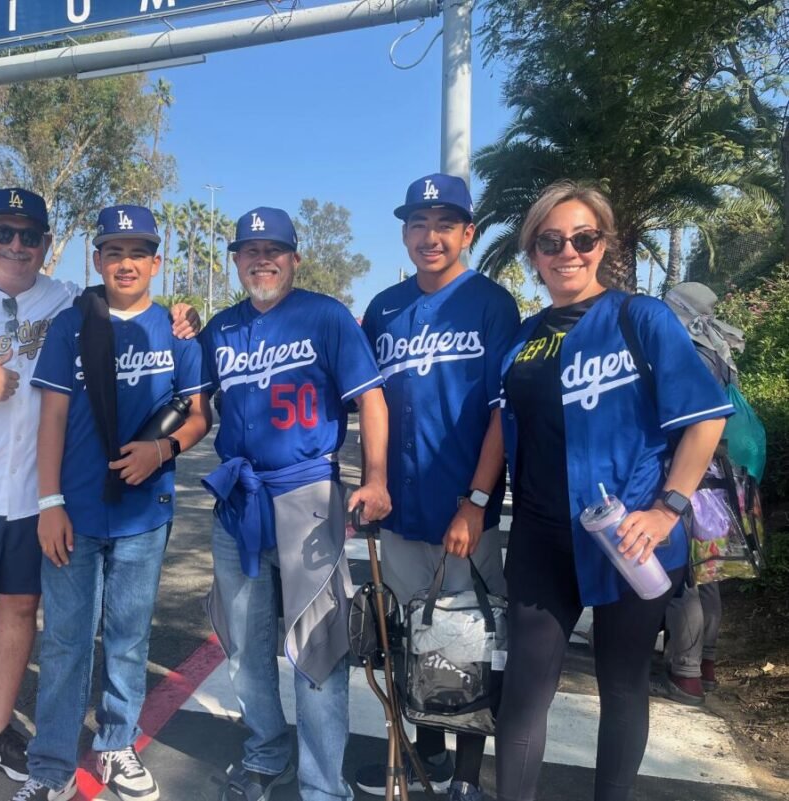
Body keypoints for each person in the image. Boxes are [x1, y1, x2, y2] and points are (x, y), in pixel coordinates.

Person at [0, 189, 198, 801]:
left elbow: (128, 307)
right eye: (4, 232)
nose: (17, 246)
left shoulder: (63, 301)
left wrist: (184, 319)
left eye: (30, 236)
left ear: (47, 245)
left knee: (22, 614)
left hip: (32, 496)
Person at [493, 181, 733, 801]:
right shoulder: (522, 339)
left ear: (604, 244)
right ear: (534, 253)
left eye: (582, 238)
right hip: (543, 538)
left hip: (630, 537)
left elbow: (706, 417)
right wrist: (473, 501)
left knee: (622, 686)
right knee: (523, 694)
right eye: (550, 241)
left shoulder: (640, 317)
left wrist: (667, 510)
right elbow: (501, 425)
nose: (566, 251)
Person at [8, 204, 212, 801]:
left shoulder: (178, 332)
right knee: (67, 642)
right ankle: (51, 769)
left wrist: (163, 448)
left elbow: (199, 416)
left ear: (156, 262)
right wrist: (48, 501)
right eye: (114, 252)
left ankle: (117, 746)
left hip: (144, 514)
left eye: (137, 252)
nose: (126, 263)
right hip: (72, 513)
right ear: (97, 260)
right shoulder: (71, 326)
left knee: (128, 638)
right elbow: (51, 417)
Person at [201, 207, 391, 801]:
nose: (262, 260)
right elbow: (191, 403)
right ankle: (265, 750)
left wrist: (375, 477)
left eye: (274, 250)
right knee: (243, 647)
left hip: (307, 494)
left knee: (317, 650)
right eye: (250, 251)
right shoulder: (219, 328)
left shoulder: (325, 316)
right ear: (235, 261)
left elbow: (372, 401)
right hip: (239, 499)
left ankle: (322, 783)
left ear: (294, 258)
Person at [354, 174, 520, 801]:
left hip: (461, 511)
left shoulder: (491, 304)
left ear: (467, 234)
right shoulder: (384, 307)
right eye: (419, 224)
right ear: (404, 233)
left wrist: (477, 503)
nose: (430, 236)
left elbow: (504, 412)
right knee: (407, 639)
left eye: (444, 224)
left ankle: (468, 779)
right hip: (399, 507)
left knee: (468, 640)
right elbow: (361, 396)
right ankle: (427, 758)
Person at [660, 281, 747, 704]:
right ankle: (705, 663)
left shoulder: (686, 350)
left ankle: (686, 674)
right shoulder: (720, 347)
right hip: (716, 477)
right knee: (707, 572)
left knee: (682, 578)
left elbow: (682, 421)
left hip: (682, 472)